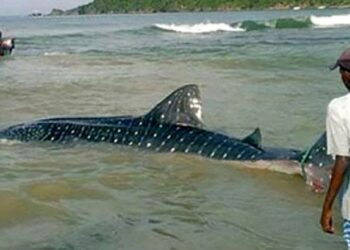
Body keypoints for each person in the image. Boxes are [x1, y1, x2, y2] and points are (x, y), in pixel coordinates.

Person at [320, 47, 350, 249]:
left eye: (342, 70)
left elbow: (343, 160)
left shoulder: (339, 108)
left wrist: (326, 208)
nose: (341, 76)